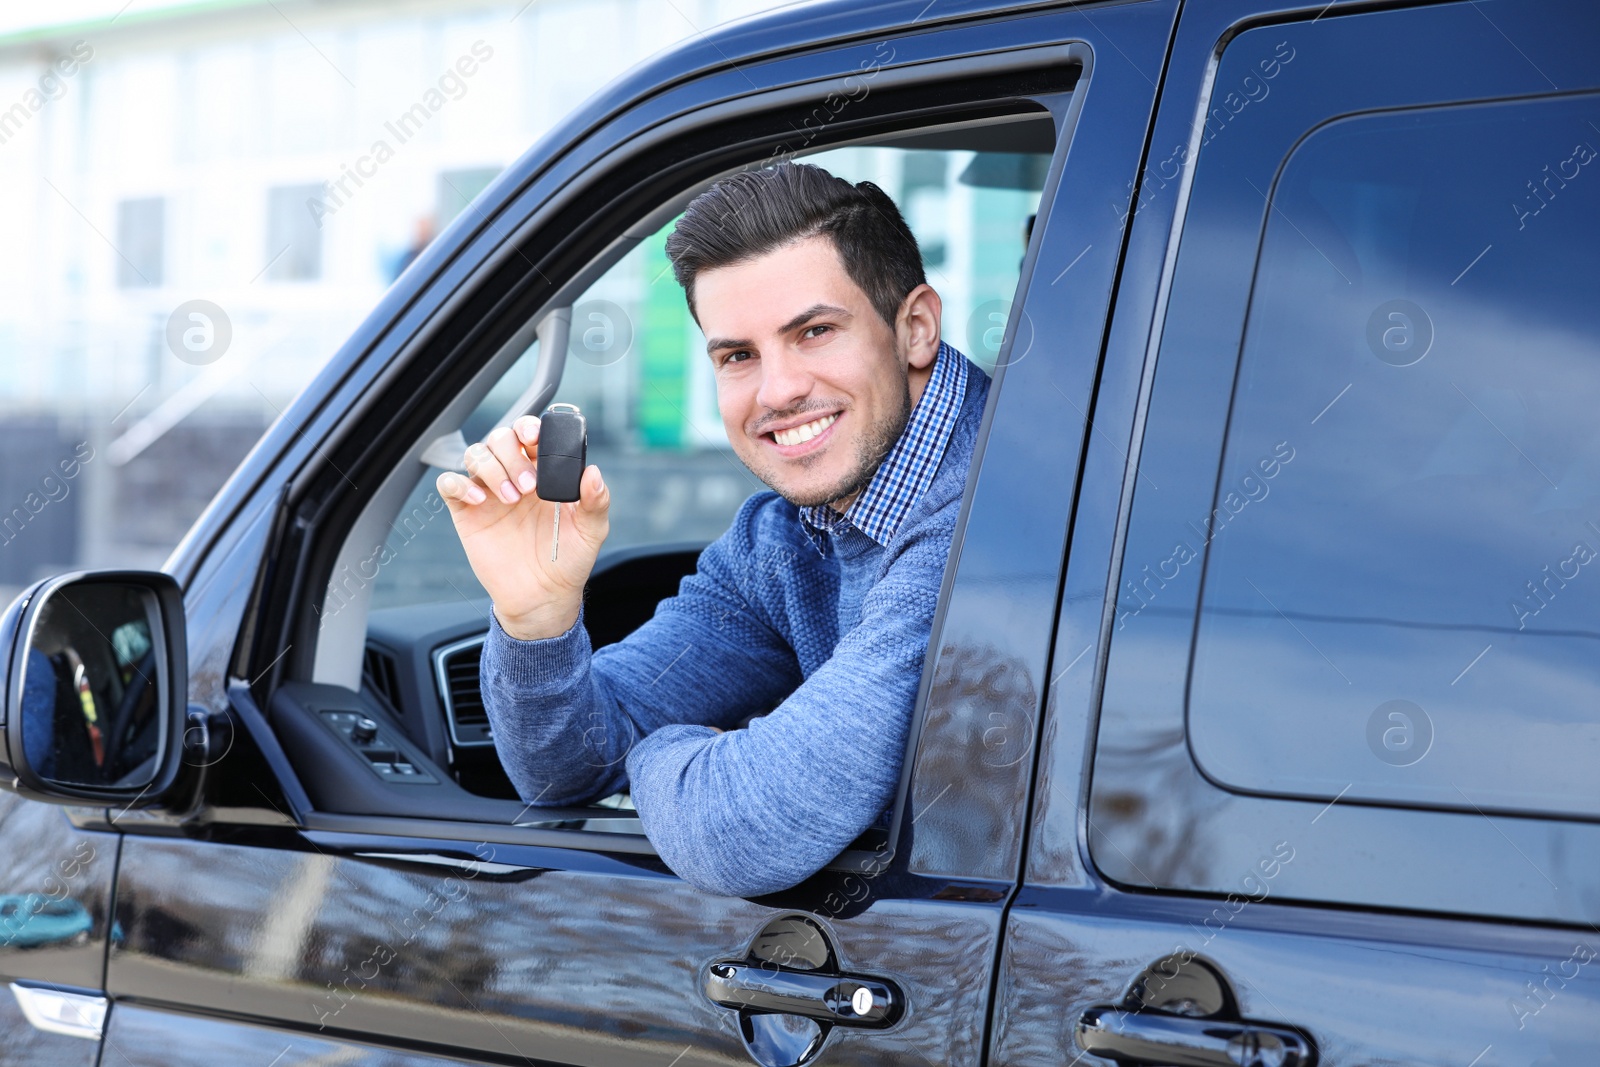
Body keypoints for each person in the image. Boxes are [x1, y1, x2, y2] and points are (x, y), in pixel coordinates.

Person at [436, 161, 992, 897]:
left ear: (915, 326)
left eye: (816, 331)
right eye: (738, 355)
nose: (778, 390)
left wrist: (671, 757)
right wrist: (536, 617)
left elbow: (743, 828)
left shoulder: (985, 516)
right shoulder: (787, 536)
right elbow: (569, 769)